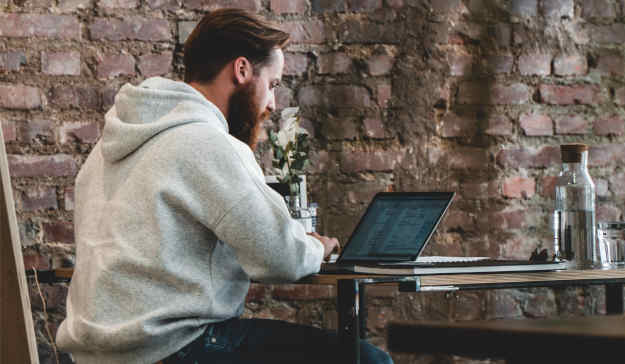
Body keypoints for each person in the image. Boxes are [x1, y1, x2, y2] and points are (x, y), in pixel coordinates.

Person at [55, 9, 393, 364]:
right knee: (368, 361)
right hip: (172, 348)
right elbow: (280, 256)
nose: (273, 103)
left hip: (90, 354)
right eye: (273, 84)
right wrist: (315, 246)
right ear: (242, 70)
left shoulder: (107, 149)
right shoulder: (207, 143)